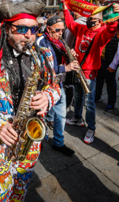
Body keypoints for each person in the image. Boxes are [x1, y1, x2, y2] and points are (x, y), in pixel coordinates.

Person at [0, 1, 61, 201]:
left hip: (29, 142)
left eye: (33, 29)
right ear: (7, 29)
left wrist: (48, 97)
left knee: (20, 191)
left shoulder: (43, 57)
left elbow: (55, 86)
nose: (29, 35)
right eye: (22, 29)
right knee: (0, 197)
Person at [64, 3, 119, 144]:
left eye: (93, 19)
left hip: (90, 73)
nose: (89, 20)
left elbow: (111, 30)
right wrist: (66, 8)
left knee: (89, 103)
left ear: (100, 21)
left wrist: (115, 17)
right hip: (77, 69)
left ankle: (91, 128)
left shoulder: (102, 32)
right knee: (77, 97)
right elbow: (71, 24)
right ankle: (77, 118)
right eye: (89, 18)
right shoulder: (82, 29)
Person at [37, 16, 79, 157]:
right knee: (40, 116)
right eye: (57, 30)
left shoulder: (59, 42)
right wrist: (65, 68)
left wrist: (70, 55)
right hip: (43, 86)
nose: (61, 33)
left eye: (63, 30)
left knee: (61, 116)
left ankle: (58, 143)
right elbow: (43, 68)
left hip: (58, 84)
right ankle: (39, 142)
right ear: (48, 29)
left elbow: (60, 60)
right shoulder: (40, 42)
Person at [95, 34, 119, 112]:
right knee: (99, 79)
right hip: (99, 59)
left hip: (110, 61)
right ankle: (97, 97)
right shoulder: (104, 28)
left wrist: (114, 64)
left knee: (110, 82)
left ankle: (111, 104)